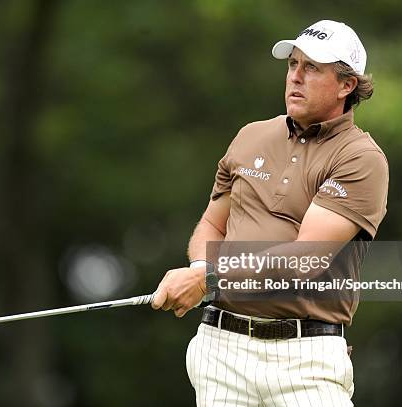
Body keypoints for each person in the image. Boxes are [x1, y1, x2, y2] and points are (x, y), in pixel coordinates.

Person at [151, 20, 389, 406]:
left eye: (311, 68)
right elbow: (213, 223)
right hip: (222, 352)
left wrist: (210, 278)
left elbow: (304, 258)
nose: (295, 77)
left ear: (347, 85)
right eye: (292, 65)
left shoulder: (360, 158)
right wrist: (199, 271)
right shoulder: (251, 136)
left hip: (306, 359)